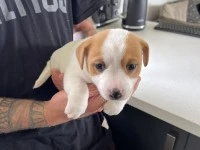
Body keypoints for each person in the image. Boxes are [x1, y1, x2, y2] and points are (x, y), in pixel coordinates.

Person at [0, 0, 140, 149]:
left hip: (87, 135)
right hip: (21, 142)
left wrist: (100, 57)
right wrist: (49, 112)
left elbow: (84, 24)